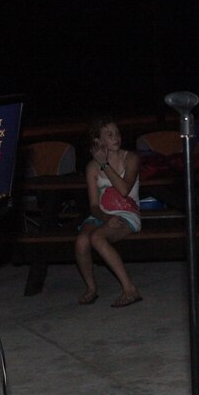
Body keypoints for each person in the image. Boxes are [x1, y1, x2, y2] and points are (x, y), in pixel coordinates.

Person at [74, 116, 143, 308]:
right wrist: (105, 217)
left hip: (127, 212)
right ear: (98, 141)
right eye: (109, 134)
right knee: (81, 241)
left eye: (117, 133)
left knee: (97, 237)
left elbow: (123, 190)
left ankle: (130, 289)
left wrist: (105, 164)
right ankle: (91, 288)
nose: (116, 137)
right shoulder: (91, 167)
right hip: (102, 215)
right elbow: (94, 206)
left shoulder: (131, 158)